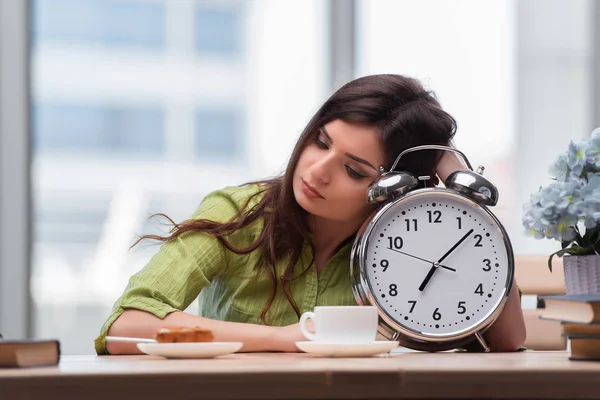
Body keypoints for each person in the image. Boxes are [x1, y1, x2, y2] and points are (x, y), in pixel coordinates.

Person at [95, 74, 525, 355]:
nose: (317, 172)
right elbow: (127, 325)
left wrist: (462, 189)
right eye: (320, 142)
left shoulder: (406, 246)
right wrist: (281, 339)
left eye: (353, 170)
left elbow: (507, 340)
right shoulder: (239, 214)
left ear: (388, 189)